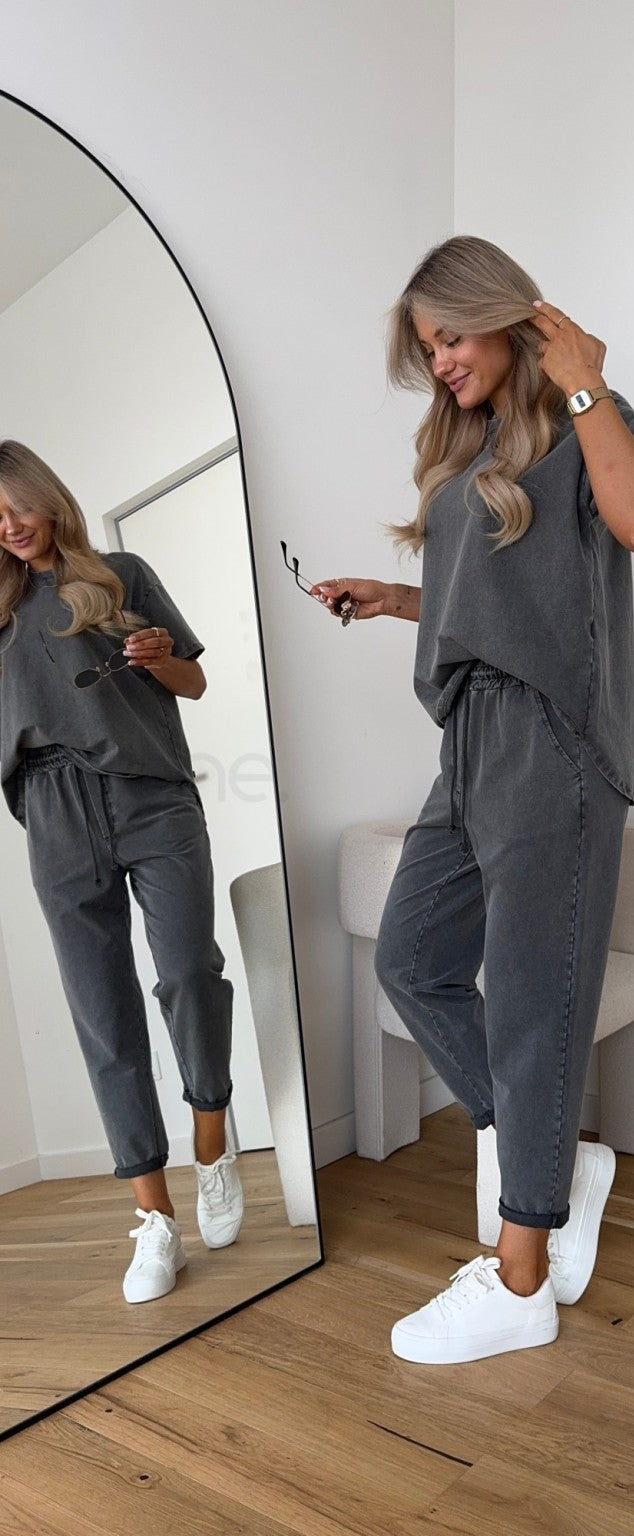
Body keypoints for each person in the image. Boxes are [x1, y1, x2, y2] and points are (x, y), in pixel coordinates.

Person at [314, 236, 634, 1364]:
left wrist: (585, 381)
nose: (440, 364)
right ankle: (553, 1156)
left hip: (551, 740)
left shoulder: (586, 418)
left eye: (450, 338)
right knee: (411, 960)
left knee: (530, 1003)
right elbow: (495, 594)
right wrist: (398, 601)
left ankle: (521, 1281)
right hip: (468, 741)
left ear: (504, 317)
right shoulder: (469, 447)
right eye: (427, 350)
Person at [0, 441, 243, 1304]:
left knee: (188, 972)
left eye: (17, 506)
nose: (10, 526)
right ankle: (154, 1217)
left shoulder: (122, 575)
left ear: (47, 498)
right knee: (101, 1011)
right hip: (54, 811)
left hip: (151, 796)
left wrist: (156, 657)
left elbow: (194, 682)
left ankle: (211, 1141)